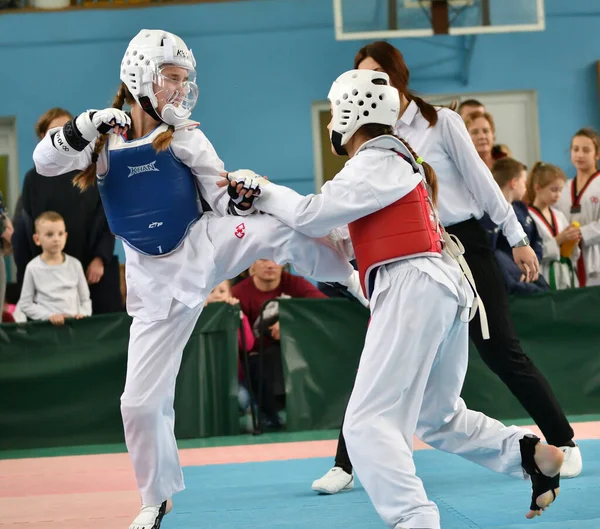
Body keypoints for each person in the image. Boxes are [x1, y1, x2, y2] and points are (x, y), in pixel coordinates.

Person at [31, 29, 362, 529]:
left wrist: (246, 195)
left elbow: (222, 198)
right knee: (139, 403)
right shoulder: (99, 139)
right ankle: (155, 498)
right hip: (152, 279)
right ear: (139, 75)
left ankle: (361, 278)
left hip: (206, 242)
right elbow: (42, 162)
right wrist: (84, 124)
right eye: (170, 79)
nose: (179, 90)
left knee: (276, 230)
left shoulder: (186, 135)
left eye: (185, 81)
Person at [225, 68, 564, 529]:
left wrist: (262, 190)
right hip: (435, 289)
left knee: (365, 424)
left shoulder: (376, 161)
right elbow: (334, 237)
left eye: (333, 114)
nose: (330, 125)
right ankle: (525, 453)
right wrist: (262, 209)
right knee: (436, 417)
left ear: (350, 112)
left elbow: (313, 212)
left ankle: (414, 519)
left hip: (415, 286)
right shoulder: (395, 163)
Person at [311, 41, 581, 494]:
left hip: (462, 246)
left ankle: (563, 441)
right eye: (362, 74)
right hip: (404, 256)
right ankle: (346, 463)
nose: (369, 83)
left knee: (500, 351)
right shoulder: (366, 140)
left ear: (398, 75)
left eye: (379, 73)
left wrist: (516, 238)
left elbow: (482, 183)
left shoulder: (440, 122)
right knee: (386, 363)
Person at [14, 107, 122, 313]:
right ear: (43, 138)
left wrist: (100, 258)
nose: (63, 135)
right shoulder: (33, 179)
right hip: (52, 279)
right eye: (55, 132)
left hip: (94, 271)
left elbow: (108, 217)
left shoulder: (92, 169)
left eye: (67, 129)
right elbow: (26, 230)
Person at [480, 157, 550, 295]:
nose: (526, 186)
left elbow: (536, 240)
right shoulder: (486, 213)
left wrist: (531, 265)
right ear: (514, 183)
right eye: (524, 182)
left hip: (529, 271)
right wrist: (515, 270)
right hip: (507, 275)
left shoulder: (521, 208)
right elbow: (493, 251)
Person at [17, 211, 92, 325]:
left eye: (60, 233)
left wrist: (83, 314)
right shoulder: (33, 268)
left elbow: (85, 299)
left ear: (65, 236)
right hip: (47, 331)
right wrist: (49, 316)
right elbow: (25, 304)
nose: (56, 239)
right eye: (49, 234)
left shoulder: (75, 264)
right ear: (37, 239)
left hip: (75, 327)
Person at [556, 127, 600, 287]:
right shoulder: (564, 187)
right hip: (569, 254)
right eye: (575, 149)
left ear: (597, 154)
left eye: (586, 150)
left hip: (595, 256)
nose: (580, 154)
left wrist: (581, 232)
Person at [527, 162, 580, 290]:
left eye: (560, 190)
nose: (558, 195)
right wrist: (558, 240)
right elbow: (530, 253)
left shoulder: (559, 215)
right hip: (543, 274)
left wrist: (572, 242)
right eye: (553, 190)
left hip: (564, 274)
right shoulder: (527, 217)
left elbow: (571, 253)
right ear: (538, 188)